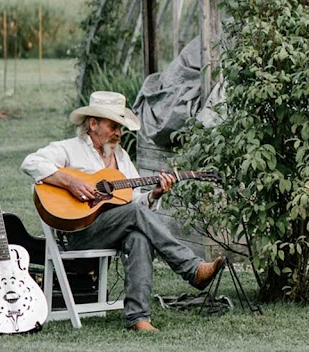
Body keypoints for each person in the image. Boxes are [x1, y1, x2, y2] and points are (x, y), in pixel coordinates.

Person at [21, 91, 224, 332]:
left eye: (120, 128)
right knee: (134, 216)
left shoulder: (121, 157)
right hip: (78, 232)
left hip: (114, 228)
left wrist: (154, 194)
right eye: (113, 126)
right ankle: (192, 269)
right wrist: (70, 182)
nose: (118, 133)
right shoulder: (69, 149)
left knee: (138, 236)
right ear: (93, 124)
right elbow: (30, 162)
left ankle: (138, 318)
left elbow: (134, 201)